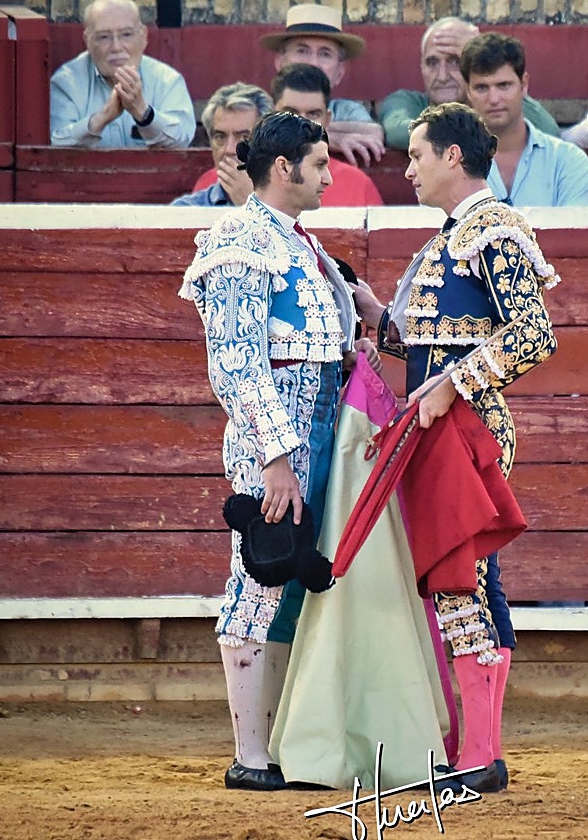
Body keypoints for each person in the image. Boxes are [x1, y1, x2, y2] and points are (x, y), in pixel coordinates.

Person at [351, 102, 559, 794]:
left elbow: (534, 335)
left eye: (415, 155)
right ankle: (473, 749)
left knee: (463, 584)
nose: (405, 169)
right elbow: (434, 344)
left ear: (451, 157)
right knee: (461, 585)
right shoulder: (455, 235)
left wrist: (449, 386)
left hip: (467, 427)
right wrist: (377, 317)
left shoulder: (493, 227)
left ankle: (479, 756)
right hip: (441, 425)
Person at [179, 111, 364, 792]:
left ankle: (281, 744)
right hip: (277, 430)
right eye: (318, 164)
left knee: (291, 583)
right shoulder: (239, 238)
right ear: (283, 168)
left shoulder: (296, 242)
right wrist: (276, 458)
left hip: (316, 420)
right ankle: (250, 758)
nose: (327, 175)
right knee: (258, 576)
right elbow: (235, 364)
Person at [378, 16, 559, 151]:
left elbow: (550, 133)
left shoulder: (496, 104)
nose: (442, 76)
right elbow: (398, 132)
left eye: (455, 62)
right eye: (432, 62)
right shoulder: (406, 101)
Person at [460, 32, 588, 206]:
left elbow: (575, 232)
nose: (493, 99)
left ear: (523, 84)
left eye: (504, 85)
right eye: (481, 88)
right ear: (468, 91)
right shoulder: (448, 164)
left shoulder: (566, 160)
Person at [50, 0, 195, 149]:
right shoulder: (66, 82)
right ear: (88, 41)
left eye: (126, 35)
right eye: (104, 37)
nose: (116, 47)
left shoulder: (166, 80)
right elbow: (55, 143)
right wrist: (103, 117)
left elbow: (182, 139)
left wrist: (143, 112)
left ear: (143, 37)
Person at [260, 2, 383, 167]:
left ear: (339, 72)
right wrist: (324, 136)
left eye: (325, 54)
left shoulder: (347, 110)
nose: (313, 63)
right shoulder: (260, 105)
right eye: (302, 51)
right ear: (280, 62)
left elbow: (374, 132)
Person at [268, 63, 383, 206]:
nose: (302, 124)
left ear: (327, 120)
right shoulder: (246, 178)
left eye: (313, 114)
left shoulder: (357, 184)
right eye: (290, 113)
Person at [171, 82, 273, 207]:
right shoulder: (186, 210)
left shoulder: (297, 207)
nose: (229, 149)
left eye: (244, 137)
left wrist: (252, 205)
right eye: (220, 137)